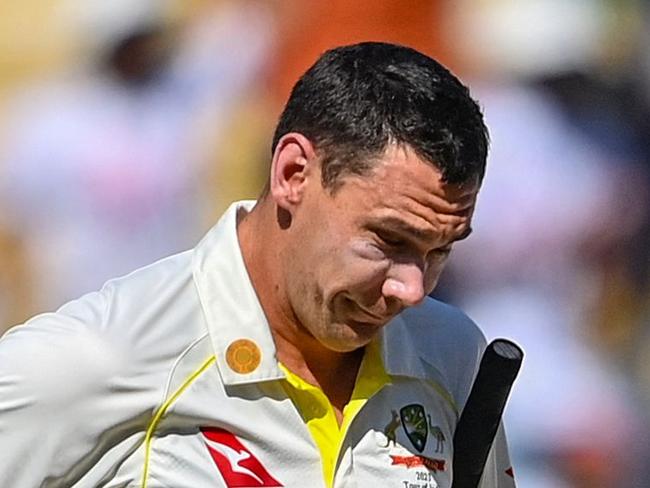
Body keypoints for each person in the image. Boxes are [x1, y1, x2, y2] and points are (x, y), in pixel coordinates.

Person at [0, 42, 515, 488]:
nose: (413, 288)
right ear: (293, 174)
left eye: (441, 249)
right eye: (389, 239)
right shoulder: (95, 358)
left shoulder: (455, 359)